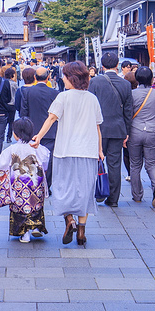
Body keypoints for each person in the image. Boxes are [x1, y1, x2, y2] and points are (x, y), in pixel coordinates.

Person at [32, 61, 104, 247]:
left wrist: (38, 137)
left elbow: (51, 119)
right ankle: (81, 231)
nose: (62, 78)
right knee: (85, 190)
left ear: (71, 78)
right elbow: (97, 128)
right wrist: (100, 150)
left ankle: (69, 220)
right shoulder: (92, 98)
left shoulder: (63, 97)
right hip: (88, 151)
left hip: (65, 150)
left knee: (63, 188)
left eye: (64, 75)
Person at [0, 118, 49, 243]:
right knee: (36, 206)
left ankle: (25, 234)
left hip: (18, 185)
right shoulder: (37, 147)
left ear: (15, 134)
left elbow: (0, 164)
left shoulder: (11, 149)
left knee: (20, 207)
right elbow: (45, 159)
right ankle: (36, 227)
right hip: (36, 184)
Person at [88, 52, 133, 208]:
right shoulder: (125, 84)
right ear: (117, 65)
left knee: (96, 161)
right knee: (115, 164)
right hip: (118, 129)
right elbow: (128, 111)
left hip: (98, 128)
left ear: (102, 66)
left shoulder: (94, 83)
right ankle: (113, 199)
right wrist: (126, 132)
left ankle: (99, 191)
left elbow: (90, 107)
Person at [128, 67, 155, 207]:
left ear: (137, 79)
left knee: (135, 165)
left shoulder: (131, 94)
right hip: (152, 131)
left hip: (135, 131)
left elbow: (128, 114)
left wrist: (125, 134)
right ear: (152, 78)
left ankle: (137, 196)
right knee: (151, 164)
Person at [20, 66, 59, 189]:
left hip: (33, 131)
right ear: (48, 77)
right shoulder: (55, 93)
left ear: (35, 78)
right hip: (51, 131)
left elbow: (23, 114)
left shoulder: (27, 92)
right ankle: (47, 185)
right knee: (50, 159)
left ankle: (35, 183)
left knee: (33, 158)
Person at [4, 67, 18, 143]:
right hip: (12, 104)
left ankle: (2, 134)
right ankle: (8, 137)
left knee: (4, 120)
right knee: (11, 122)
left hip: (5, 104)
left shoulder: (3, 83)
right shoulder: (14, 84)